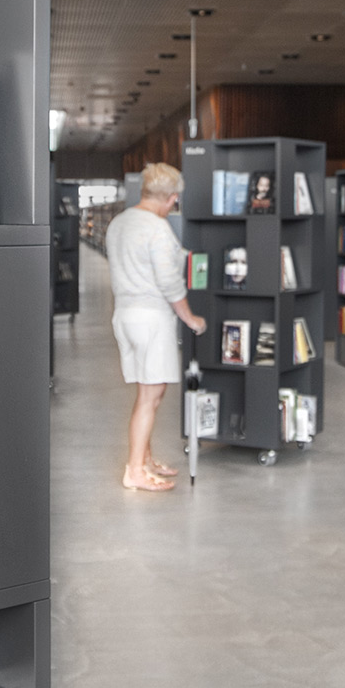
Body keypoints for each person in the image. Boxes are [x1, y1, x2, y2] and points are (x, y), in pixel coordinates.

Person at [105, 162, 208, 491]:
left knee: (147, 392)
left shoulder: (120, 222)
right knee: (150, 396)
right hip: (151, 318)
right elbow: (169, 282)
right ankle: (135, 470)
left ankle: (145, 459)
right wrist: (190, 318)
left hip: (125, 315)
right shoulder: (157, 228)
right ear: (172, 198)